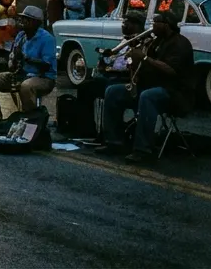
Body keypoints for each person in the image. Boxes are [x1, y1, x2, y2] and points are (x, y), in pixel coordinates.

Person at [100, 9, 195, 164]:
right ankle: (114, 142)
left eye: (156, 22)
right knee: (113, 91)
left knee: (148, 96)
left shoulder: (180, 43)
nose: (152, 26)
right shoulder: (156, 41)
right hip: (151, 86)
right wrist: (134, 55)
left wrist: (144, 58)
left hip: (175, 93)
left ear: (166, 25)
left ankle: (143, 150)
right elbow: (141, 64)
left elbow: (171, 70)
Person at [74, 10, 147, 138]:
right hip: (113, 76)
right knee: (84, 87)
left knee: (108, 90)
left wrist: (112, 71)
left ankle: (112, 135)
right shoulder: (125, 39)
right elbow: (115, 58)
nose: (123, 26)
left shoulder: (142, 41)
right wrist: (105, 61)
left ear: (136, 25)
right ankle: (86, 129)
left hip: (125, 79)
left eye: (126, 23)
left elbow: (133, 67)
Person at [0, 5, 56, 120]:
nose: (22, 22)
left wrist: (26, 59)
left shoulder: (47, 39)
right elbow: (12, 64)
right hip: (21, 74)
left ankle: (31, 119)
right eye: (22, 19)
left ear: (36, 23)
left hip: (43, 78)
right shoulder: (21, 36)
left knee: (26, 86)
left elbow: (47, 66)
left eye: (27, 19)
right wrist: (12, 59)